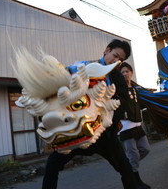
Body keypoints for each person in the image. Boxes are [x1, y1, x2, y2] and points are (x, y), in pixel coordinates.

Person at [42, 39, 138, 189]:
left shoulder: (117, 77)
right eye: (115, 55)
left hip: (103, 133)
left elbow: (122, 104)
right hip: (78, 130)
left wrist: (108, 124)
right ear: (107, 50)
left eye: (120, 59)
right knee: (52, 165)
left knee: (124, 167)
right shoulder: (83, 67)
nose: (116, 61)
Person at [118, 62, 151, 189]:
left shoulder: (136, 90)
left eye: (127, 71)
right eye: (122, 72)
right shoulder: (119, 90)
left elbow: (141, 105)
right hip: (126, 126)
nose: (125, 74)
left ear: (131, 73)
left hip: (137, 125)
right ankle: (135, 182)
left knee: (145, 149)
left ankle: (128, 167)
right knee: (133, 155)